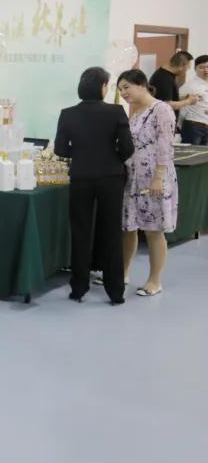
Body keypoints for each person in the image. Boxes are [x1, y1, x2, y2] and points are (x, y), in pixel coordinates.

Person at [53, 67, 135, 305]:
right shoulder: (116, 111)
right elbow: (127, 147)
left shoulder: (68, 114)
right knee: (112, 232)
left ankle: (78, 288)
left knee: (80, 231)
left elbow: (60, 149)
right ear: (102, 87)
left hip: (81, 176)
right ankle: (115, 291)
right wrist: (113, 158)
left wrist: (80, 154)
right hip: (111, 176)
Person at [118, 69, 179, 297]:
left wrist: (158, 178)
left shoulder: (161, 109)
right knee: (128, 227)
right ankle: (122, 273)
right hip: (133, 177)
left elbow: (166, 146)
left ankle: (155, 280)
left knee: (153, 230)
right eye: (120, 89)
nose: (124, 93)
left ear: (142, 84)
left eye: (126, 87)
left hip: (154, 177)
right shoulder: (135, 111)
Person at [149, 50, 198, 119]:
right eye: (186, 69)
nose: (185, 72)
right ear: (181, 65)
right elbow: (167, 104)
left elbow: (162, 97)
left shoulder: (164, 73)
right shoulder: (165, 78)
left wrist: (183, 98)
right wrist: (188, 101)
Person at [178, 55, 208, 145]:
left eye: (207, 67)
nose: (205, 70)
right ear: (195, 69)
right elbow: (179, 105)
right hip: (194, 126)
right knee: (190, 153)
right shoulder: (189, 86)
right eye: (201, 67)